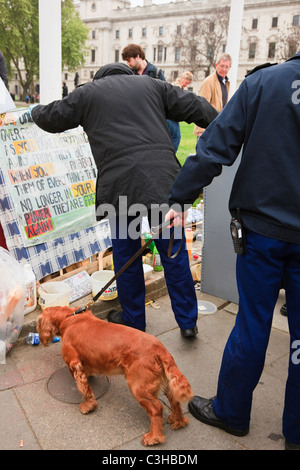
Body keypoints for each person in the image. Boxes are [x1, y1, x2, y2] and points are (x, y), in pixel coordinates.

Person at [165, 52, 300, 450]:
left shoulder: (264, 83)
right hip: (270, 227)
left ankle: (231, 411)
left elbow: (216, 146)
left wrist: (179, 198)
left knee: (254, 322)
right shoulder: (263, 82)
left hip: (263, 228)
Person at [30, 63, 218, 337]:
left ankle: (133, 321)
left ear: (100, 78)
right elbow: (197, 107)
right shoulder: (152, 85)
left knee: (126, 254)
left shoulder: (89, 93)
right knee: (172, 251)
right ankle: (188, 322)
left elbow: (51, 117)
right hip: (162, 184)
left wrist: (30, 112)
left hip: (120, 190)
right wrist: (223, 124)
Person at [122, 44, 181, 152]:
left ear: (138, 56)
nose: (128, 64)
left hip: (155, 116)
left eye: (129, 60)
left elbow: (164, 96)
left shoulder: (156, 73)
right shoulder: (130, 75)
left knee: (172, 136)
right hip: (139, 119)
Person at [193, 53, 231, 139]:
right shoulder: (209, 81)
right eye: (222, 66)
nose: (224, 69)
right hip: (207, 128)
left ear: (230, 67)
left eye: (226, 67)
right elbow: (201, 105)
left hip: (217, 127)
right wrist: (201, 130)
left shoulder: (226, 83)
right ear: (216, 65)